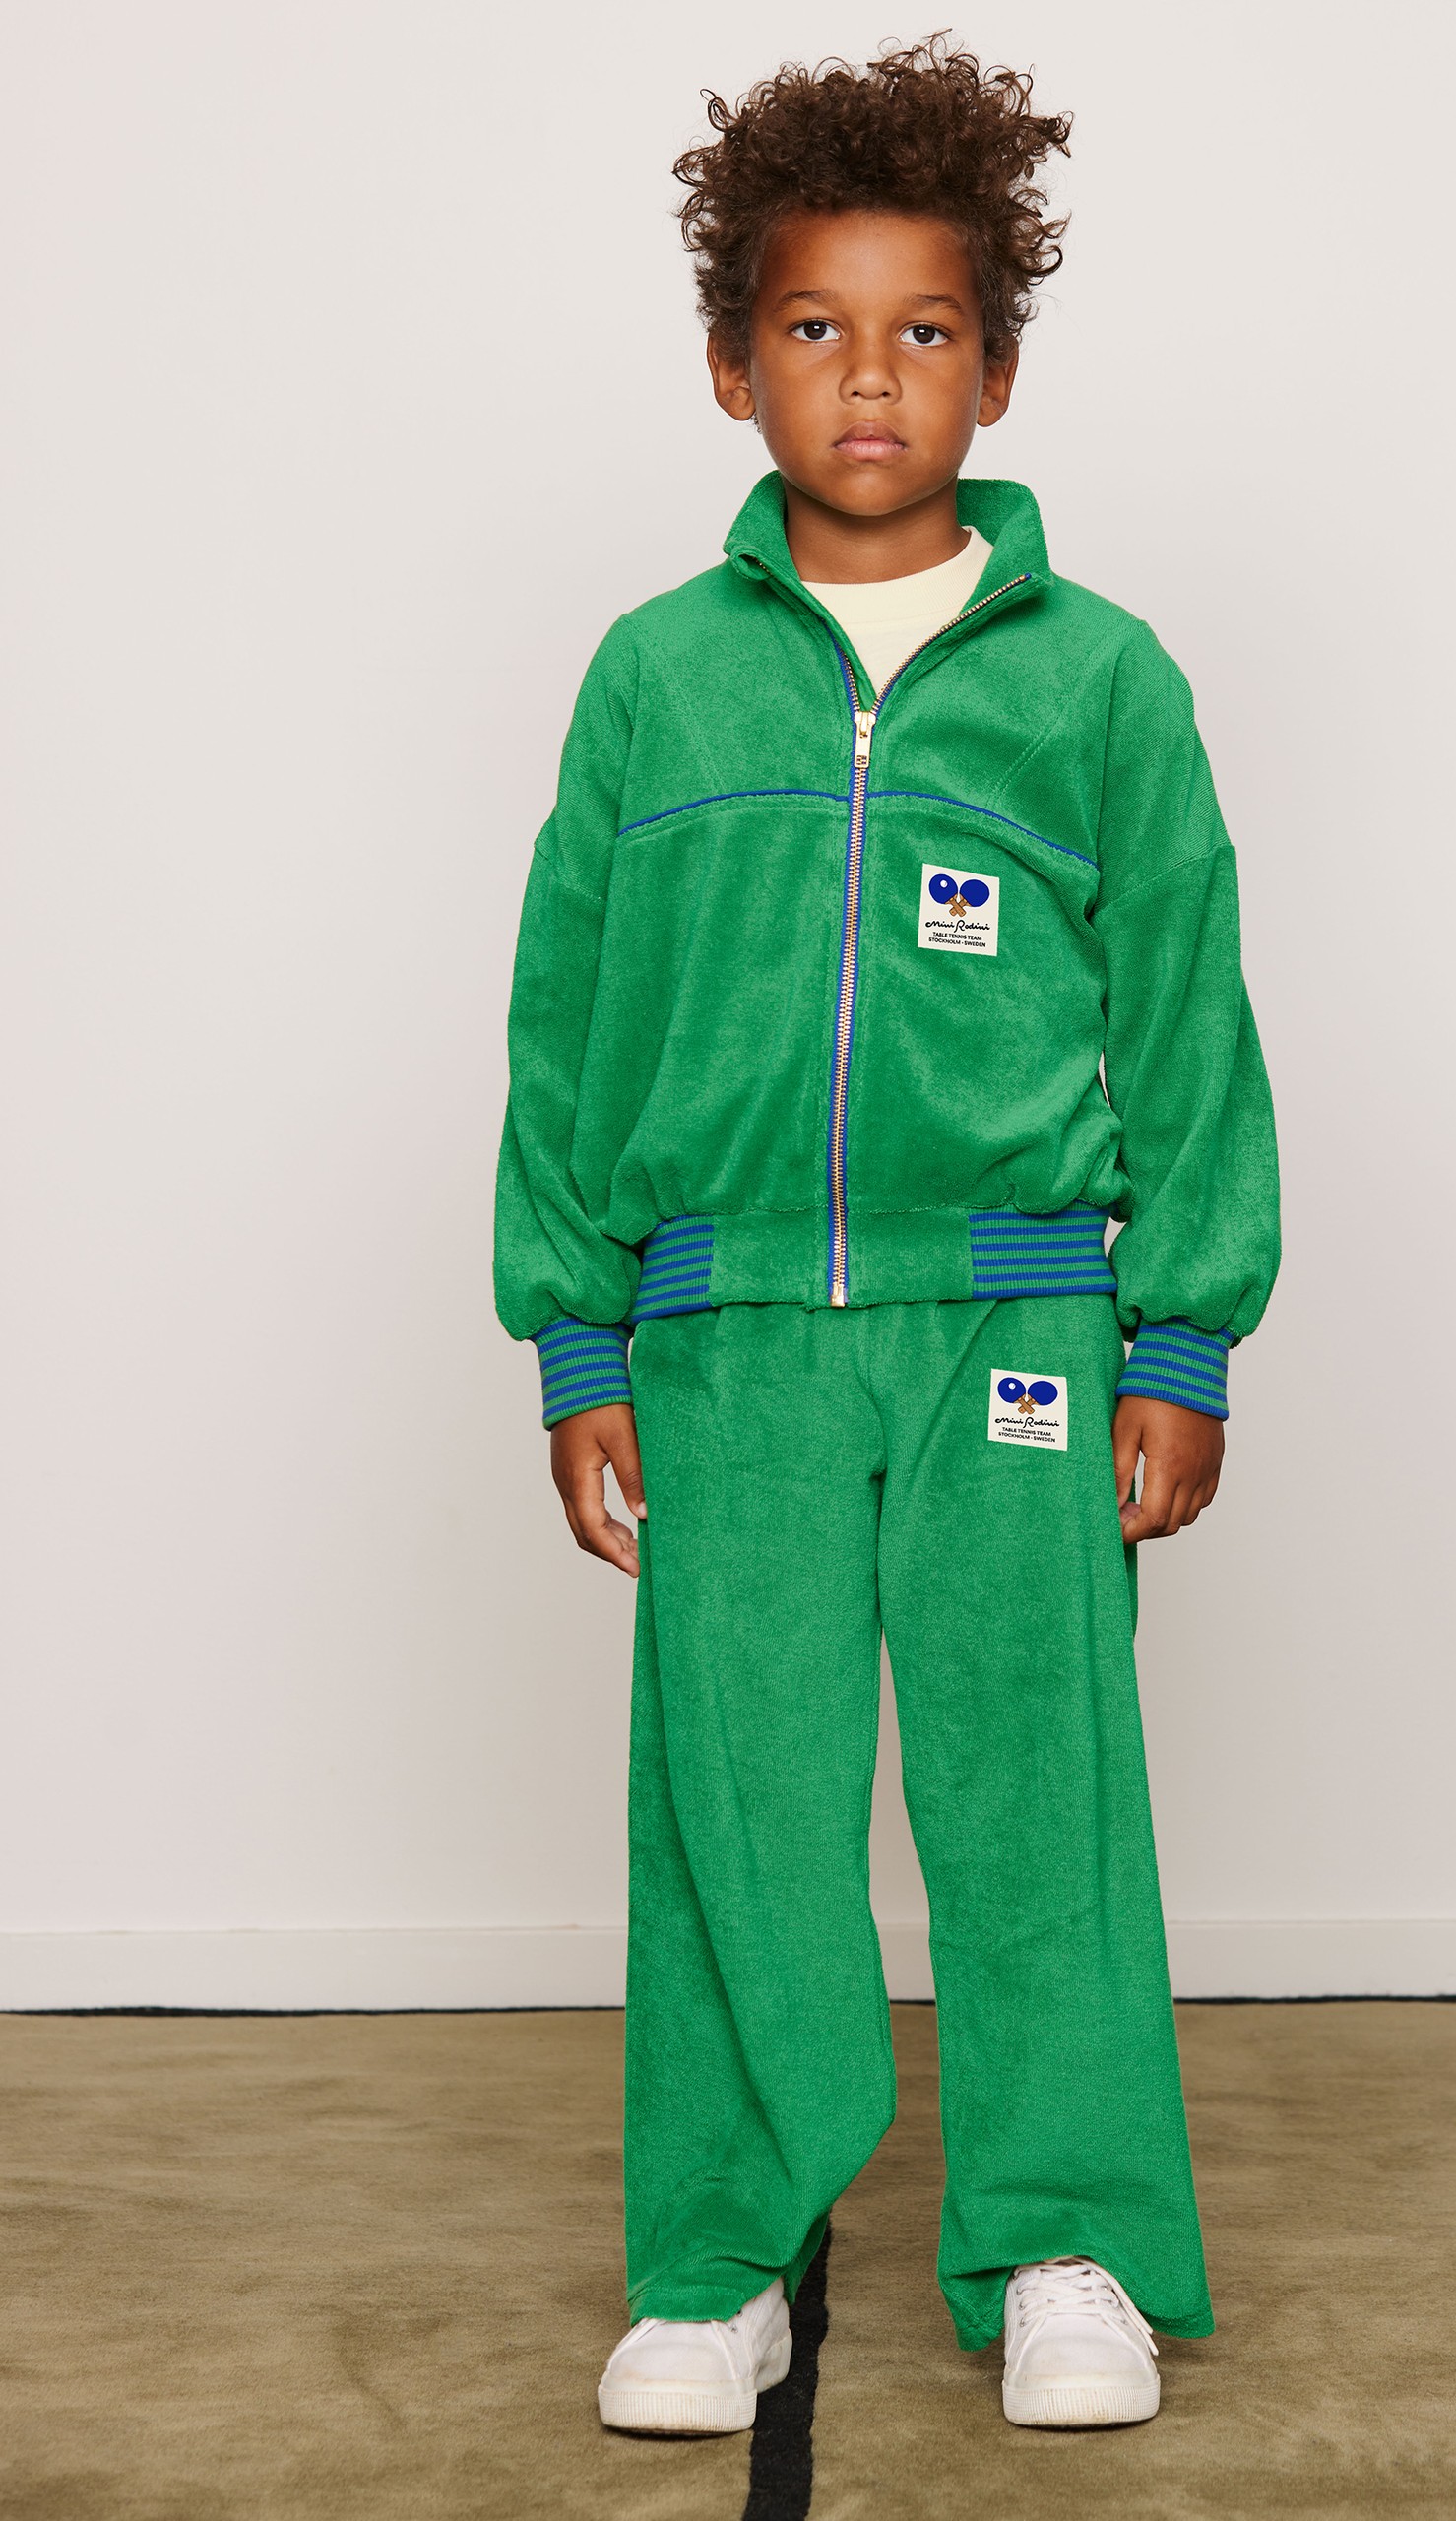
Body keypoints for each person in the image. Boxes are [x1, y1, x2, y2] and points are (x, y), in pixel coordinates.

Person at [494, 35, 1280, 2435]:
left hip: (1018, 1324)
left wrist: (1188, 1328)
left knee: (1040, 1786)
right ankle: (721, 2255)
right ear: (733, 362)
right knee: (732, 1793)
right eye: (815, 328)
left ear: (1002, 365)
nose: (870, 374)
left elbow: (1190, 1005)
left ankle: (1065, 2236)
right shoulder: (658, 672)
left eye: (923, 329)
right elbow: (565, 1010)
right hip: (726, 1328)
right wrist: (575, 1331)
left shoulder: (1100, 678)